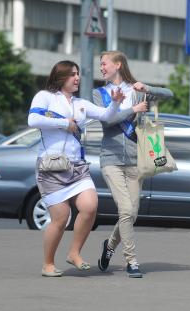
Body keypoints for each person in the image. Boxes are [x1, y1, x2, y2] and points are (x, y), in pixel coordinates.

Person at [28, 60, 125, 277]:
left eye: (78, 74)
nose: (77, 78)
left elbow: (107, 115)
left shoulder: (81, 103)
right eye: (72, 74)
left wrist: (116, 103)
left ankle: (74, 252)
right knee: (61, 218)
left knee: (90, 206)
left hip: (77, 166)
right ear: (61, 76)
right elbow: (33, 119)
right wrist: (64, 123)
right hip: (52, 167)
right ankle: (48, 264)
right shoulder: (46, 96)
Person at [93, 51, 173, 278]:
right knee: (125, 210)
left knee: (132, 214)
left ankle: (109, 246)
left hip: (136, 160)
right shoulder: (99, 93)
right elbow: (107, 122)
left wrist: (147, 89)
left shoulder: (136, 91)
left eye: (104, 63)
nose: (101, 68)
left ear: (118, 64)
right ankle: (132, 260)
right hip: (111, 160)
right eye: (100, 64)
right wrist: (132, 110)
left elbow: (169, 93)